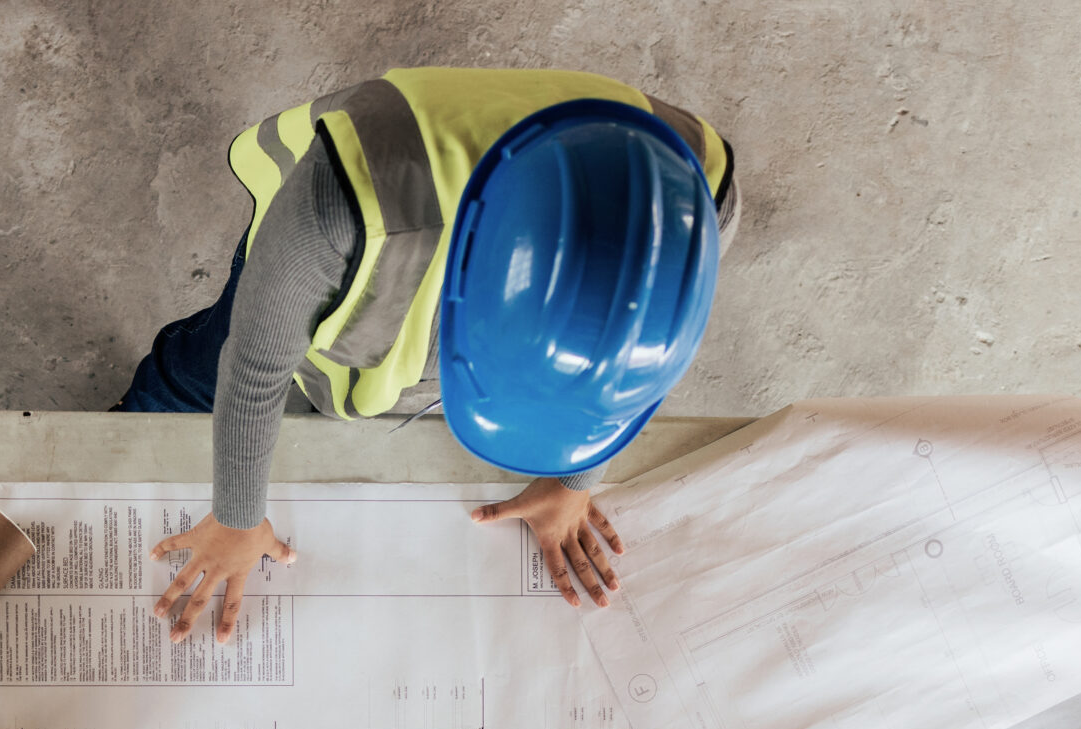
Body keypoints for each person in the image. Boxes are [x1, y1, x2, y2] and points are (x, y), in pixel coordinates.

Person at [121, 67, 740, 640]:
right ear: (469, 286)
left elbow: (637, 350)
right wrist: (236, 518)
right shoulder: (349, 203)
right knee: (199, 373)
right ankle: (134, 418)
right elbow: (254, 368)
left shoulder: (696, 197)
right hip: (308, 261)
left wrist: (575, 477)